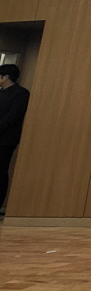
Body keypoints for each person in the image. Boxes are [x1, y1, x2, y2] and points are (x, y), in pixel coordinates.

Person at [0, 64, 30, 215]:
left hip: (6, 139)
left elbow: (13, 117)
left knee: (0, 171)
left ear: (5, 77)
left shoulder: (20, 93)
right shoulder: (1, 93)